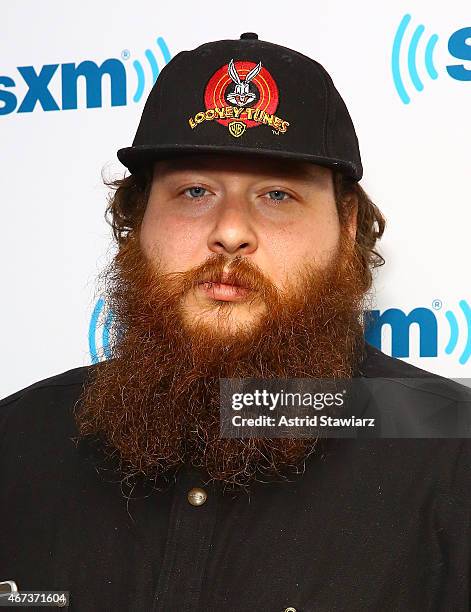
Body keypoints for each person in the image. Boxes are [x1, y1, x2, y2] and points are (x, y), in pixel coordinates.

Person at [1, 32, 470, 612]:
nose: (229, 230)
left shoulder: (452, 452)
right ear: (137, 219)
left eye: (276, 195)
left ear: (348, 226)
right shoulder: (16, 442)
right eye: (194, 190)